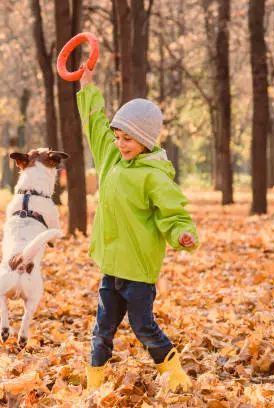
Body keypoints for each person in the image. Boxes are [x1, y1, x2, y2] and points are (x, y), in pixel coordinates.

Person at [77, 66, 199, 393]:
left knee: (143, 327)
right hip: (111, 267)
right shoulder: (111, 160)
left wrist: (182, 236)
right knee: (102, 330)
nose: (120, 144)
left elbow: (174, 215)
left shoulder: (154, 176)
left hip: (139, 273)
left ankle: (177, 380)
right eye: (118, 137)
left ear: (144, 140)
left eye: (128, 139)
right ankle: (93, 388)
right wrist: (87, 88)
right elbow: (95, 126)